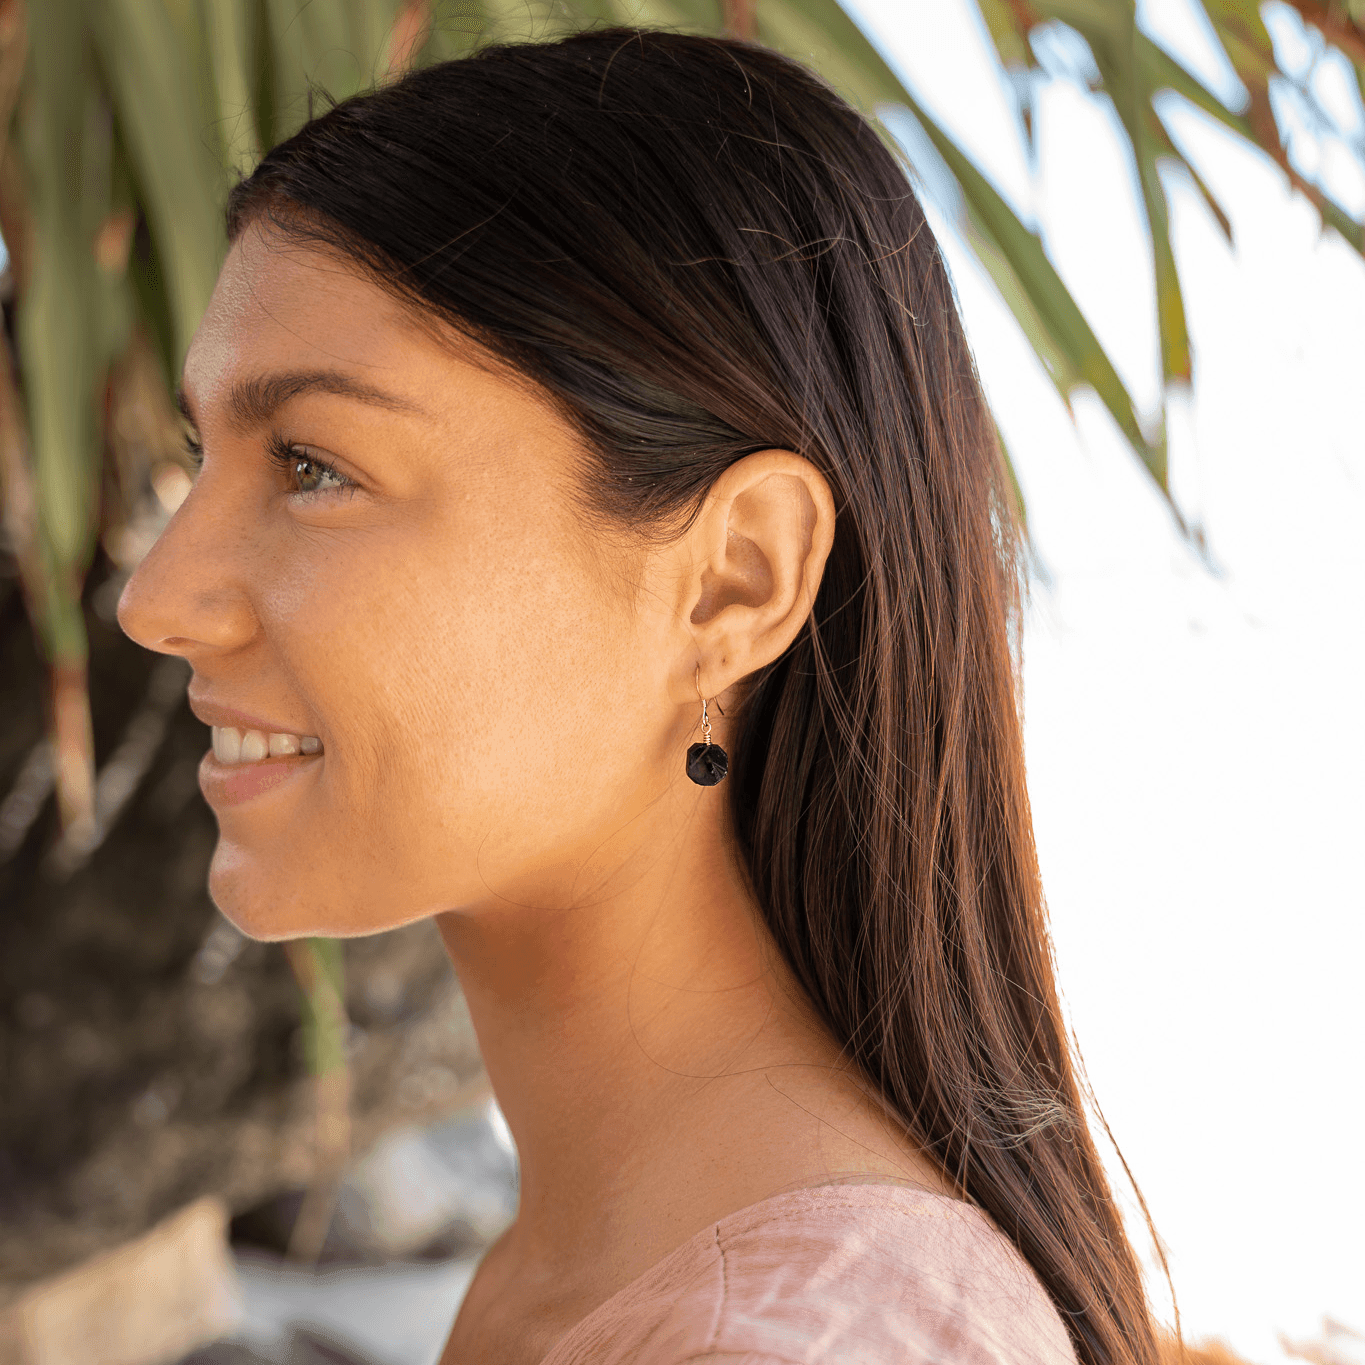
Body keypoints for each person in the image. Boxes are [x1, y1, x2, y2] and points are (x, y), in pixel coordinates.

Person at [117, 27, 1160, 1365]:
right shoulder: (601, 1277)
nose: (158, 595)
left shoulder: (800, 1340)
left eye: (315, 466)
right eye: (197, 459)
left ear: (734, 580)